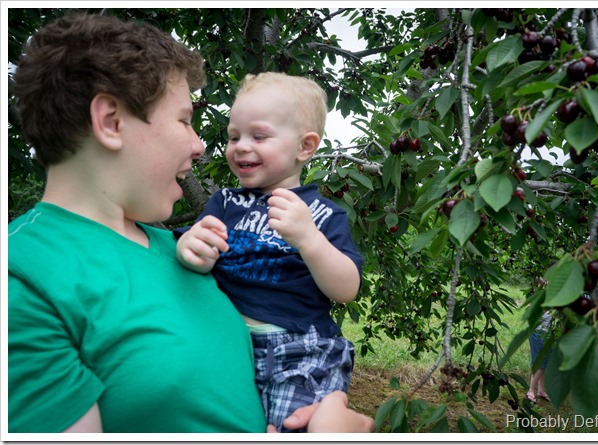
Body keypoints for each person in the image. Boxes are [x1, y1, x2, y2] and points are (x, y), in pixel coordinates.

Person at [8, 12, 373, 434]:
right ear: (111, 122)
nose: (201, 145)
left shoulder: (185, 250)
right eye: (184, 120)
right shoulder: (23, 280)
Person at [175, 72, 362, 432]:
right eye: (234, 137)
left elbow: (346, 289)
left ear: (304, 147)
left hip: (299, 349)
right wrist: (190, 249)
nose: (241, 146)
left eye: (258, 136)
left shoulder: (322, 214)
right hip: (230, 347)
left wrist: (309, 239)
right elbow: (192, 252)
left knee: (291, 427)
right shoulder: (225, 203)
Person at [526, 310, 553, 404]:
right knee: (540, 364)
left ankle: (540, 390)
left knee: (545, 363)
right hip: (539, 334)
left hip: (549, 334)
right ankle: (531, 390)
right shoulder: (542, 303)